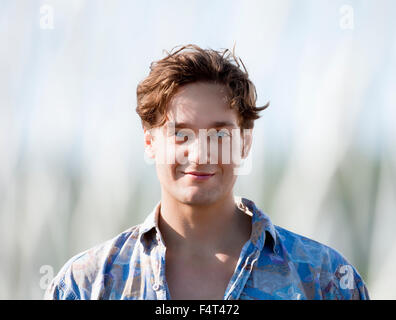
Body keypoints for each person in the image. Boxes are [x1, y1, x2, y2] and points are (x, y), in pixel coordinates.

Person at [44, 44, 370, 300]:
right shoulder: (85, 285)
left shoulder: (325, 280)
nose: (200, 154)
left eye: (220, 135)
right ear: (150, 143)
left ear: (244, 144)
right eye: (181, 134)